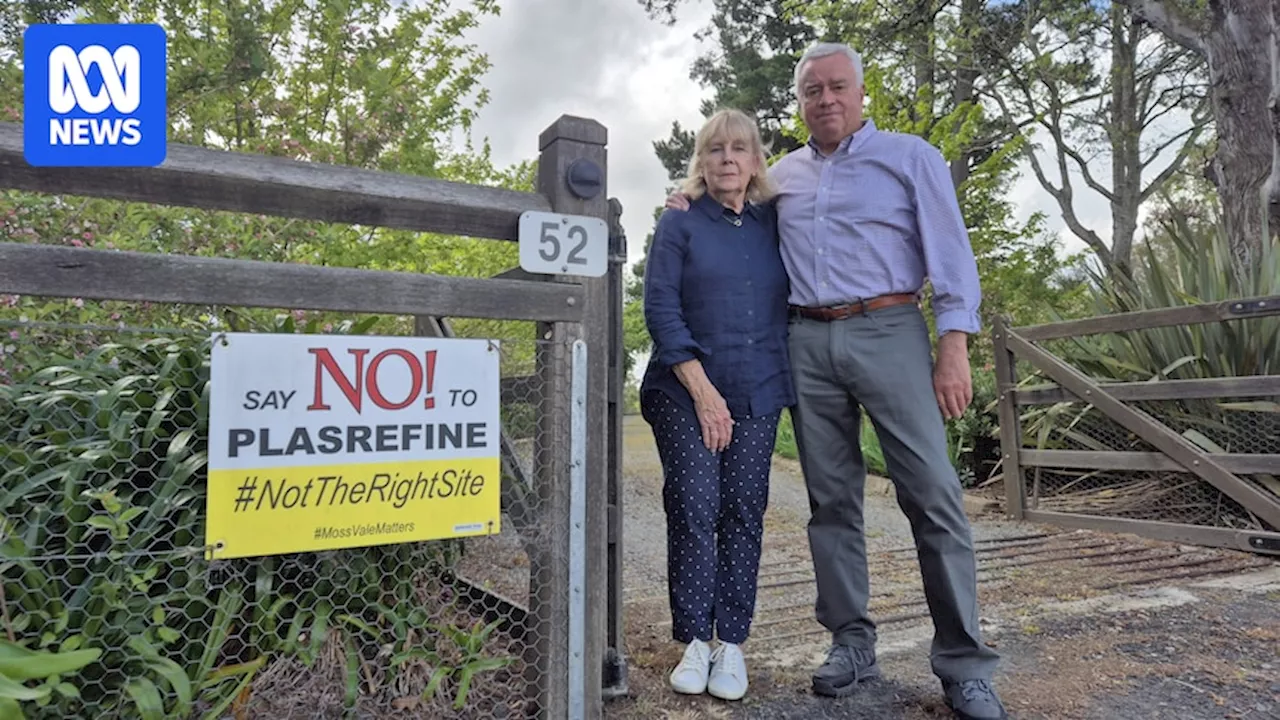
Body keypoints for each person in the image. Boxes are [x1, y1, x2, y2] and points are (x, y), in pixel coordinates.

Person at [664, 42, 1007, 720]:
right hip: (806, 340)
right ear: (799, 101)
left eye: (837, 87)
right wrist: (684, 198)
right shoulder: (782, 176)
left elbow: (950, 254)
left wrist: (954, 346)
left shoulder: (911, 158)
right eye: (811, 90)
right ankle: (851, 642)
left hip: (891, 329)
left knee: (933, 494)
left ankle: (964, 663)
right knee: (831, 502)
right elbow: (726, 208)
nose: (825, 99)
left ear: (860, 91)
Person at [640, 107, 795, 702]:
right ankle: (695, 641)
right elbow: (661, 309)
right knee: (695, 502)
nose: (727, 159)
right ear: (701, 162)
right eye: (714, 150)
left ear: (756, 161)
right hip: (683, 388)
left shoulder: (772, 223)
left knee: (743, 510)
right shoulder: (679, 223)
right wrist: (703, 392)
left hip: (757, 388)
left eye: (739, 149)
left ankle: (731, 641)